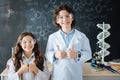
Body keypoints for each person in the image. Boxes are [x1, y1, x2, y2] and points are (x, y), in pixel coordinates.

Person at [45, 4, 92, 80]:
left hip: (75, 75)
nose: (65, 19)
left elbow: (89, 54)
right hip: (58, 75)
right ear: (57, 21)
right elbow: (47, 54)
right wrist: (55, 55)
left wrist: (77, 55)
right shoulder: (52, 37)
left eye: (67, 16)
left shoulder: (81, 36)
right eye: (61, 17)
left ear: (72, 18)